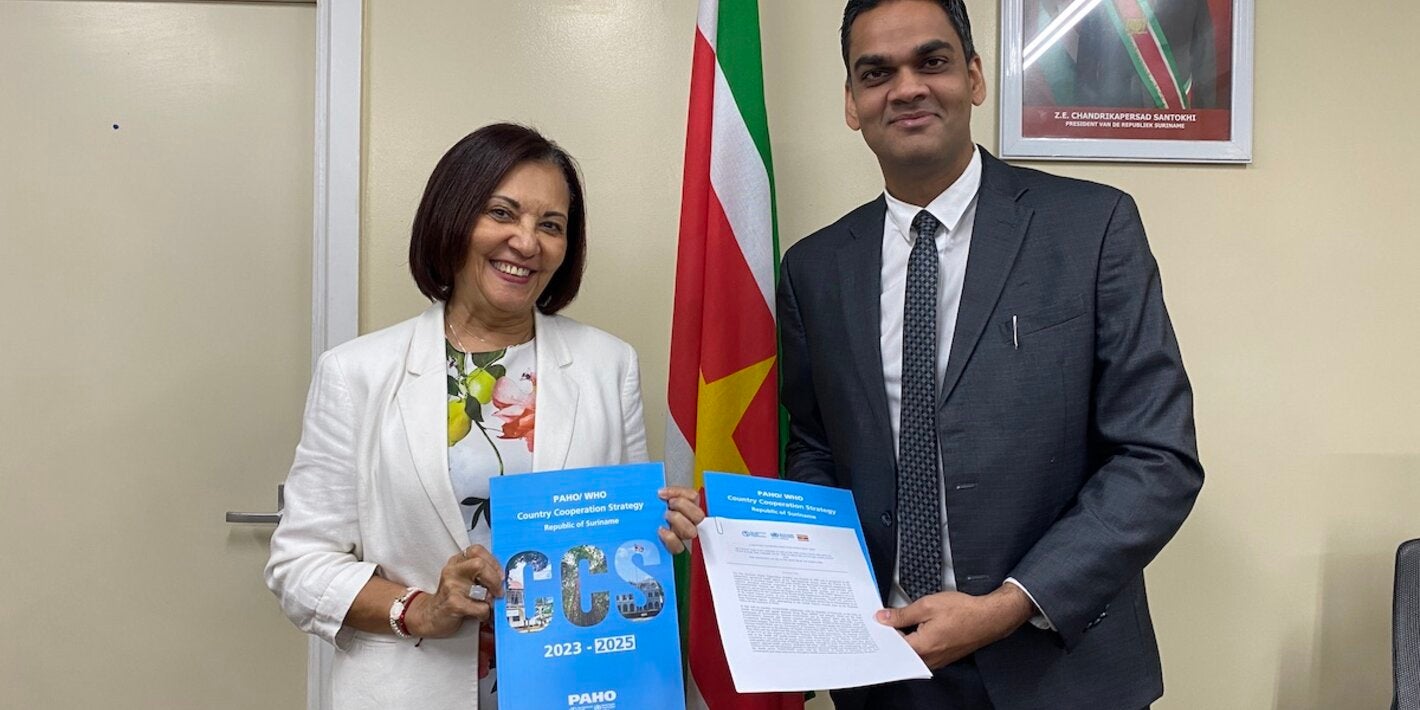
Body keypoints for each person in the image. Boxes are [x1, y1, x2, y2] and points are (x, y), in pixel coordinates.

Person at [776, 1, 1204, 708]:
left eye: (932, 61)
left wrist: (1010, 603)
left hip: (1058, 666)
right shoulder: (815, 268)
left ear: (974, 77)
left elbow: (1157, 457)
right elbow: (817, 445)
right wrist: (759, 539)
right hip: (887, 670)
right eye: (876, 73)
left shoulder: (1092, 228)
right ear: (852, 104)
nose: (906, 87)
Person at [265, 123, 704, 710]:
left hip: (574, 689)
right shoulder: (356, 373)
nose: (527, 242)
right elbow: (299, 564)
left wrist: (659, 533)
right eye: (503, 213)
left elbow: (608, 537)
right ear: (453, 219)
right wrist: (419, 608)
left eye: (551, 225)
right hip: (410, 690)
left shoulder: (608, 364)